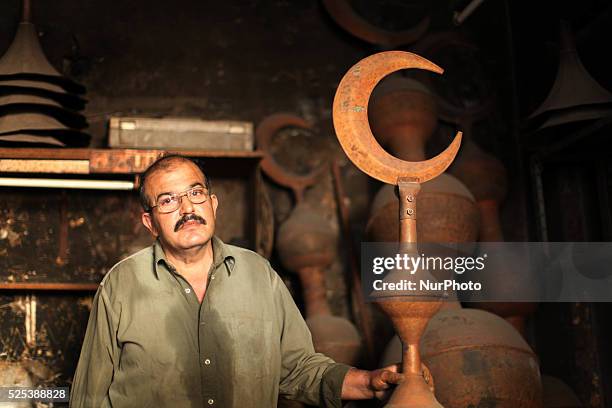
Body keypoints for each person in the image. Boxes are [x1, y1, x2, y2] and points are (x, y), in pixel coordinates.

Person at [70, 155, 402, 408]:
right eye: (168, 200)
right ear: (150, 222)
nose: (187, 208)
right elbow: (88, 395)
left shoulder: (259, 275)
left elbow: (299, 369)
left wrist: (367, 383)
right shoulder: (121, 284)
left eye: (195, 193)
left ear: (213, 205)